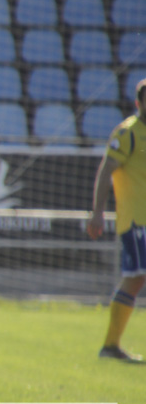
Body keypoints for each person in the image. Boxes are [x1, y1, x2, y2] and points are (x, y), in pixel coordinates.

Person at [87, 77, 146, 363]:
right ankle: (110, 345)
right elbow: (106, 170)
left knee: (136, 278)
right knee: (135, 278)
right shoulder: (127, 133)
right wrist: (98, 211)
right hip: (136, 221)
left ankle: (111, 346)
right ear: (139, 103)